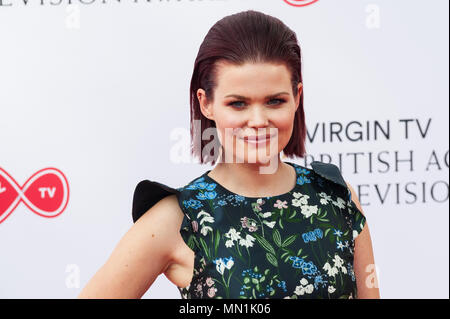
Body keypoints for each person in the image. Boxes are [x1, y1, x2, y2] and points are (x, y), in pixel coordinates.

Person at [78, 10, 380, 299]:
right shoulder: (180, 217)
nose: (259, 120)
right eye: (238, 103)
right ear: (206, 103)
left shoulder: (337, 198)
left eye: (275, 101)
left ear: (297, 97)